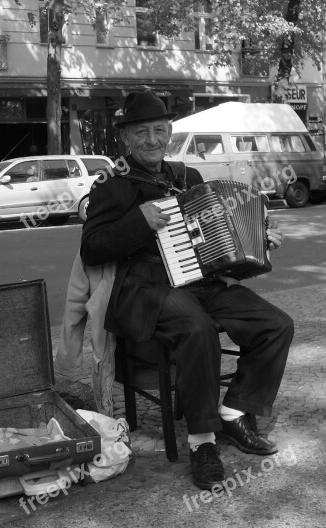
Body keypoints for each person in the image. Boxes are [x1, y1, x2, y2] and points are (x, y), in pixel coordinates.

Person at [79, 89, 294, 491]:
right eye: (141, 132)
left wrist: (260, 241)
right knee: (197, 328)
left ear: (170, 131)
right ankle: (202, 441)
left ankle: (232, 412)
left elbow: (214, 238)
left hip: (199, 282)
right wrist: (139, 222)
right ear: (124, 138)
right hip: (144, 290)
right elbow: (92, 249)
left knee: (276, 324)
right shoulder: (111, 186)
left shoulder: (186, 177)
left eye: (159, 130)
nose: (151, 140)